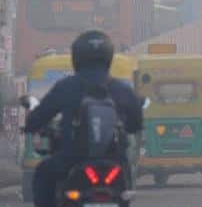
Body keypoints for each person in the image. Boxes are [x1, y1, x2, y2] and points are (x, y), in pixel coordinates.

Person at [24, 30, 144, 207]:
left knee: (43, 173)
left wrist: (30, 126)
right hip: (114, 160)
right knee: (125, 186)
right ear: (108, 57)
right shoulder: (121, 89)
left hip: (72, 158)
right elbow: (136, 124)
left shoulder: (66, 87)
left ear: (77, 57)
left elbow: (38, 118)